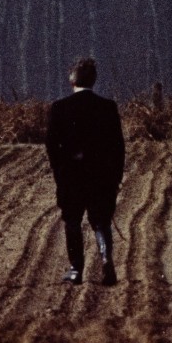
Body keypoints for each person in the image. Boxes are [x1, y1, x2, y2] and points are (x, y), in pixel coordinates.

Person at [45, 57, 126, 286]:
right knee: (101, 221)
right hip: (101, 176)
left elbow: (51, 145)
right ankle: (105, 257)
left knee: (72, 221)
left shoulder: (59, 108)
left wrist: (60, 171)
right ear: (94, 80)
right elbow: (118, 147)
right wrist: (115, 176)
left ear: (72, 82)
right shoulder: (108, 107)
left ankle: (75, 269)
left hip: (72, 176)